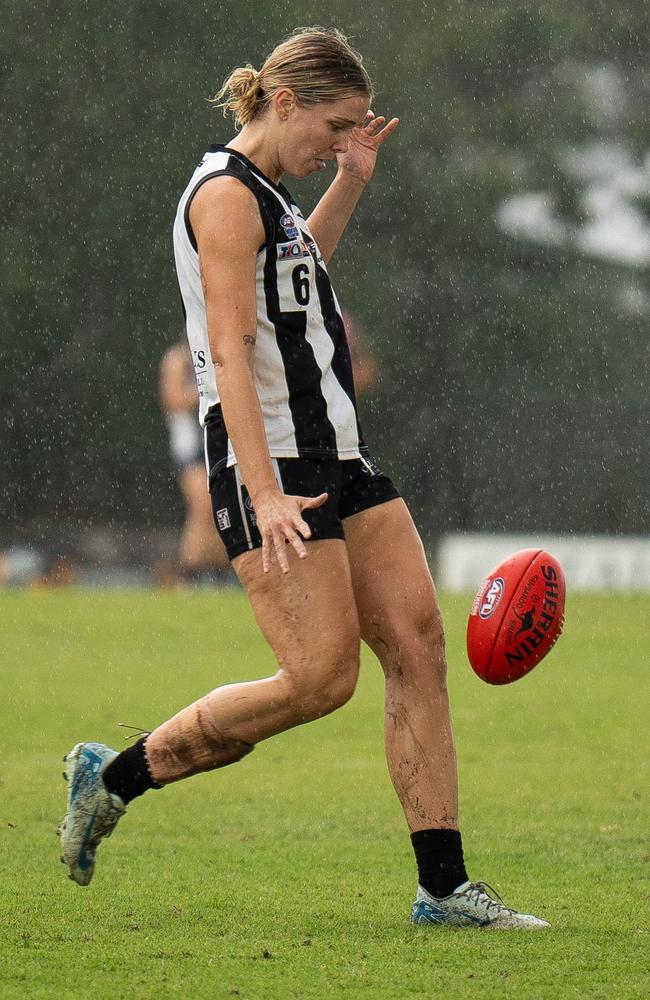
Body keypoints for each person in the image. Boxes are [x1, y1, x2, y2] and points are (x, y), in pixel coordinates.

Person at [58, 28, 548, 929]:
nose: (342, 137)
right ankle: (114, 775)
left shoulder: (275, 203)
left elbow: (299, 277)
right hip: (271, 463)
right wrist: (265, 489)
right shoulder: (225, 197)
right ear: (283, 104)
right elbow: (231, 355)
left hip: (341, 457)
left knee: (417, 647)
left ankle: (442, 889)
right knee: (321, 679)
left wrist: (350, 181)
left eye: (354, 126)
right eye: (336, 124)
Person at [158, 340, 231, 584]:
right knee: (202, 505)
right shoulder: (178, 359)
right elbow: (172, 399)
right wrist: (211, 391)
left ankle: (219, 571)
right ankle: (188, 571)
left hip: (217, 443)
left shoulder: (220, 355)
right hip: (190, 446)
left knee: (221, 506)